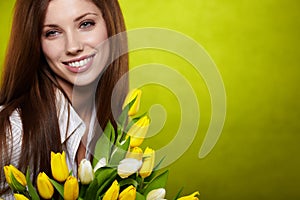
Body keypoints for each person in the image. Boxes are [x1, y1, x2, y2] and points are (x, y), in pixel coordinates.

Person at [0, 0, 128, 197]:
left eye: (85, 24)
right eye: (52, 33)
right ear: (35, 43)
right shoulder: (13, 132)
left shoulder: (116, 123)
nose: (73, 46)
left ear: (110, 24)